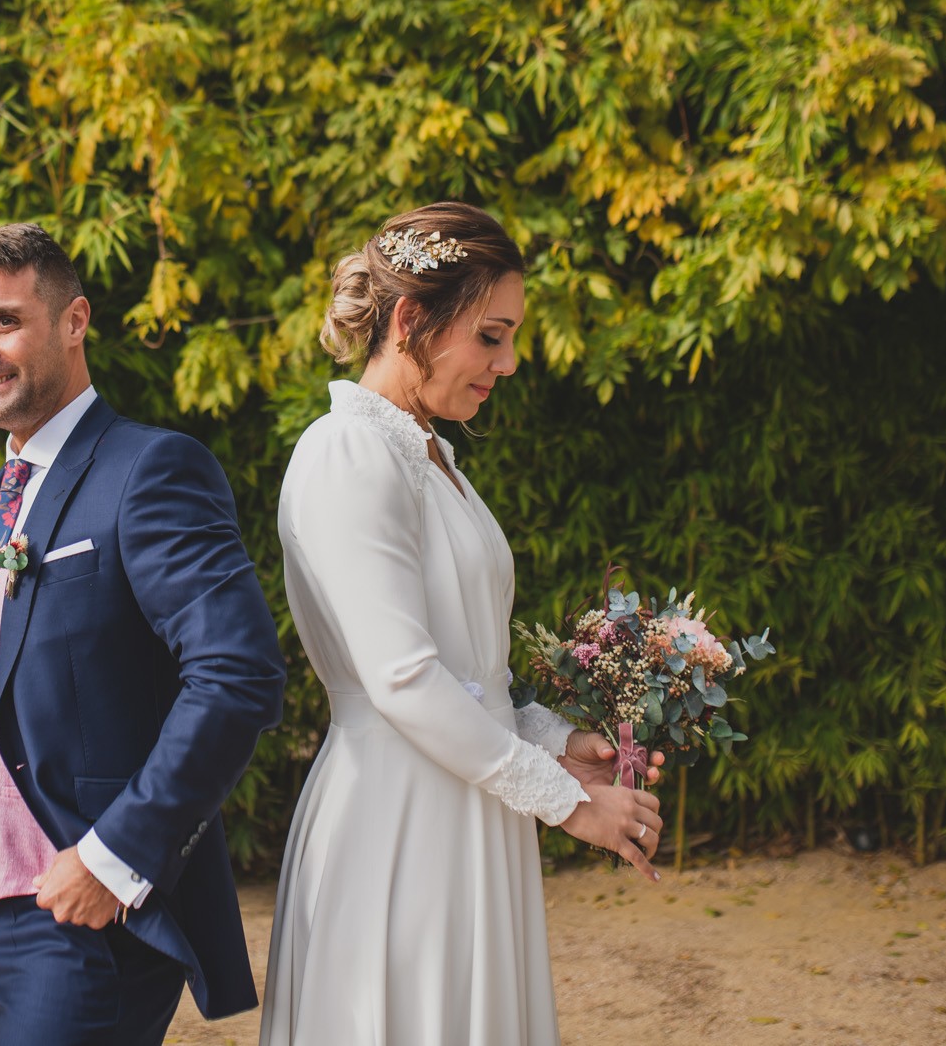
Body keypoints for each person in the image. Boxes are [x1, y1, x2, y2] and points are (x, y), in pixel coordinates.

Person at [260, 202, 665, 1046]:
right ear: (411, 320)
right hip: (394, 823)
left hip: (468, 806)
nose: (509, 363)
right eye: (491, 335)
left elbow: (466, 670)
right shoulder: (347, 453)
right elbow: (402, 678)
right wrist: (565, 805)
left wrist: (553, 741)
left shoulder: (434, 456)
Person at [0, 223, 287, 1046]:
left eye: (3, 321)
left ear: (74, 320)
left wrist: (116, 856)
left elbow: (239, 673)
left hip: (88, 920)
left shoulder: (149, 470)